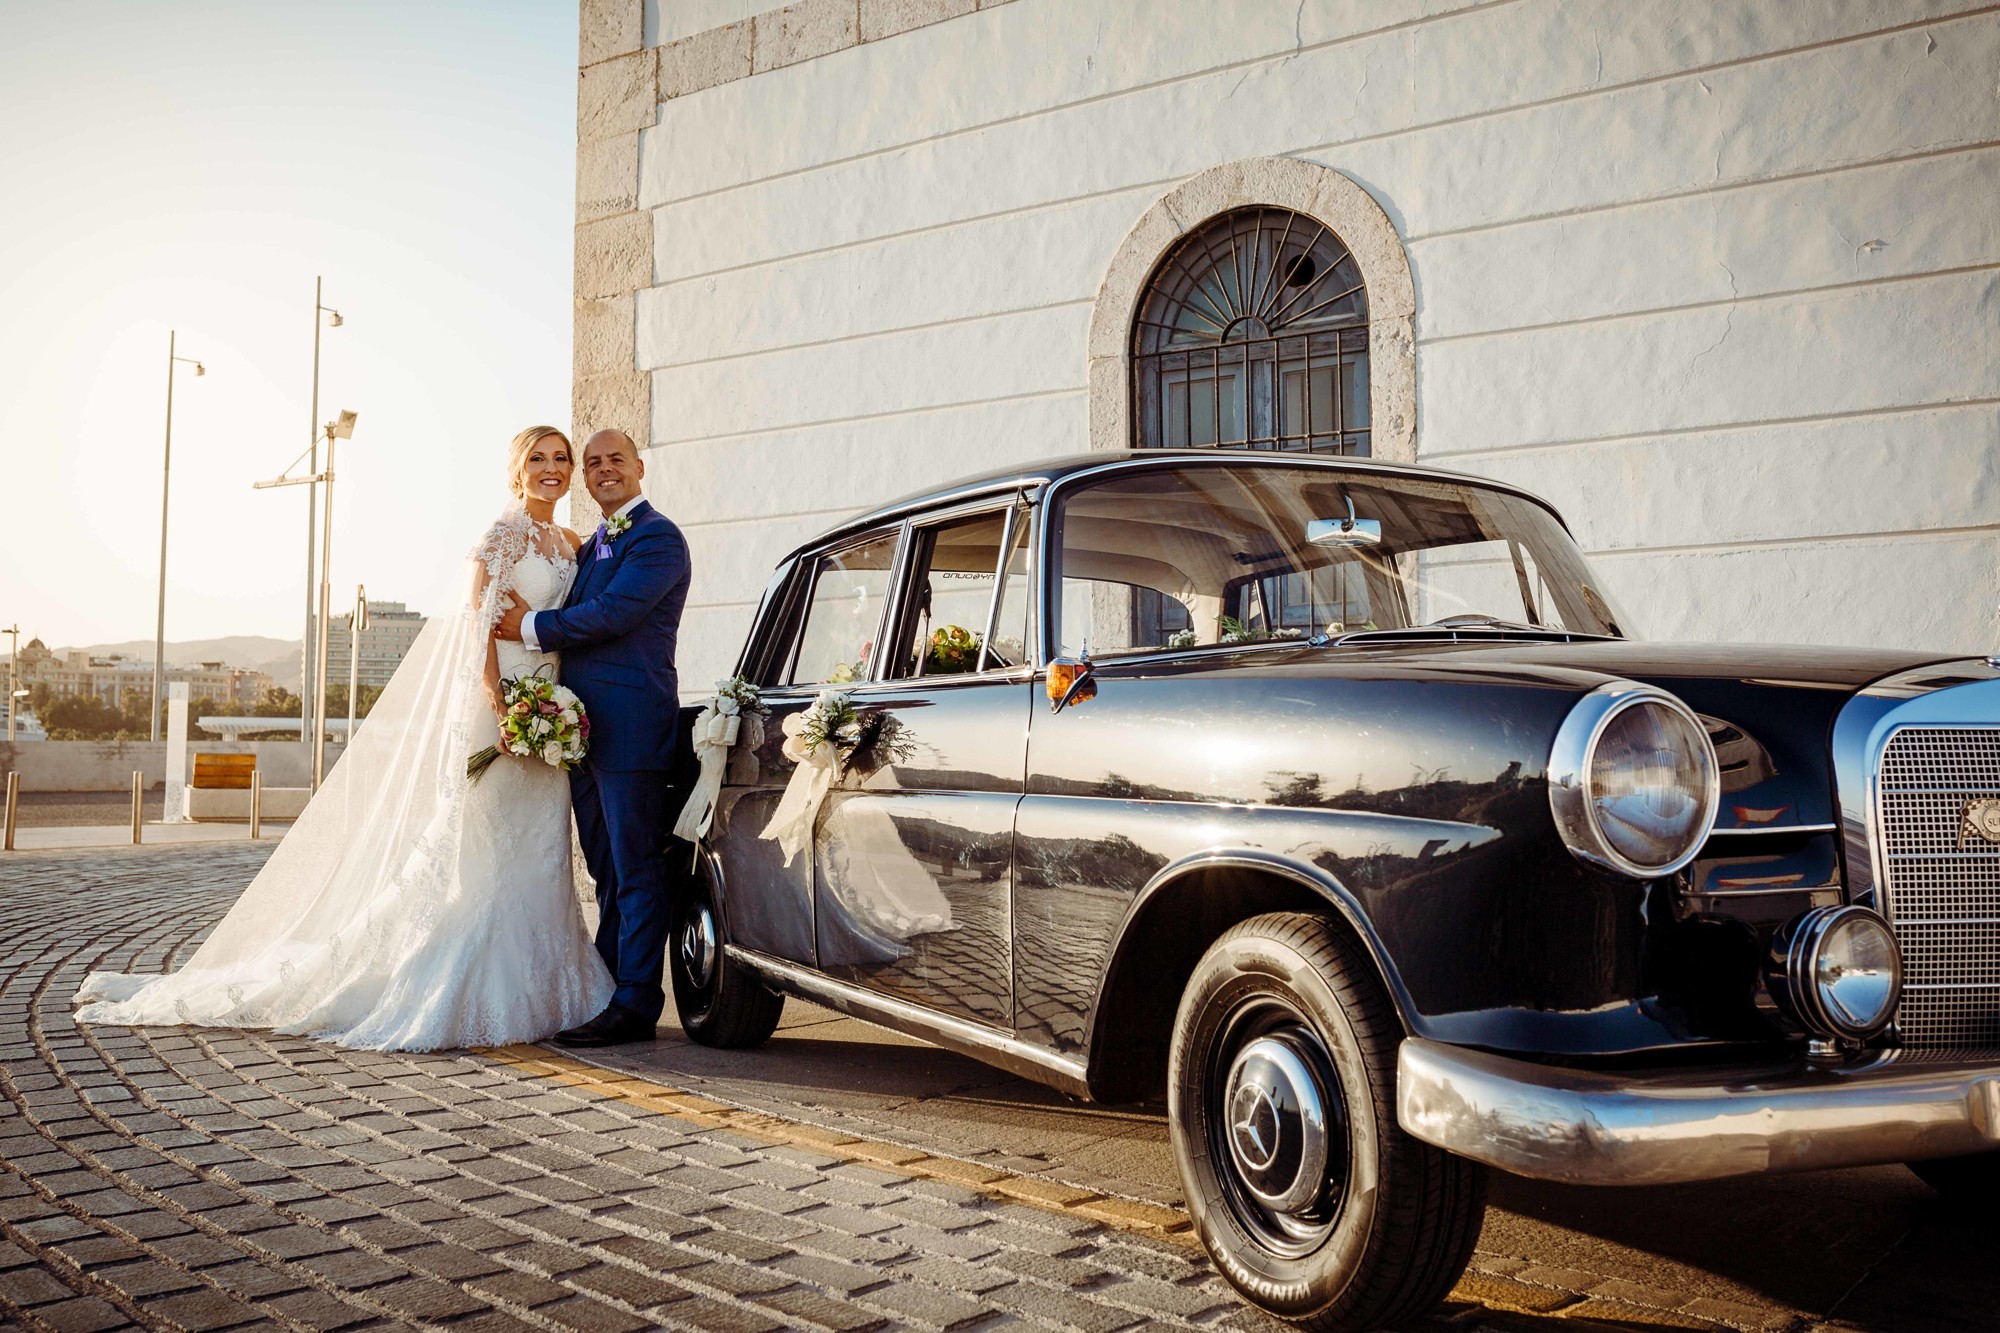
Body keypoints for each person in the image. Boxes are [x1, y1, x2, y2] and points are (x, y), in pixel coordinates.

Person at [73, 427, 615, 1050]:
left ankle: (550, 984)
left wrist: (554, 710)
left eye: (560, 459)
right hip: (504, 713)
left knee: (539, 847)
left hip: (551, 714)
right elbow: (477, 628)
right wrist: (502, 702)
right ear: (516, 471)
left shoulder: (572, 541)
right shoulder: (501, 537)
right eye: (537, 459)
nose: (551, 469)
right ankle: (457, 981)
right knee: (483, 845)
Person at [494, 428, 690, 1047]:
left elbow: (615, 616)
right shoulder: (595, 540)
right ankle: (604, 989)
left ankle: (636, 1003)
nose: (605, 470)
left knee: (636, 868)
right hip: (580, 730)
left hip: (632, 727)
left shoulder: (658, 538)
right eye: (595, 462)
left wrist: (527, 625)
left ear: (639, 466)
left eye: (616, 460)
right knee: (605, 870)